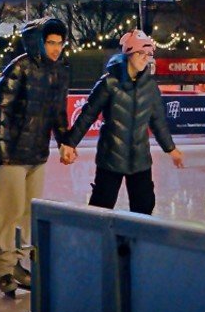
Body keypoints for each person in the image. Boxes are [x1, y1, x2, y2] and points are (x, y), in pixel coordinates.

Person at [0, 16, 74, 297]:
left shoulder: (60, 71)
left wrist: (65, 141)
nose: (56, 48)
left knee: (26, 214)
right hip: (13, 154)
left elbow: (59, 113)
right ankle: (4, 267)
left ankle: (18, 264)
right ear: (39, 42)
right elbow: (0, 110)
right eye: (51, 42)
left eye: (60, 43)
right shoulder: (19, 68)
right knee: (7, 213)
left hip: (38, 153)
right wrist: (2, 152)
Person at [63, 30, 184, 216]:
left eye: (148, 54)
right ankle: (97, 243)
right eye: (141, 53)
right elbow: (88, 114)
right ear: (129, 54)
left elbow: (158, 121)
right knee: (101, 208)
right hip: (111, 158)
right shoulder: (109, 83)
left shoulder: (150, 87)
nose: (145, 58)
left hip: (140, 159)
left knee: (144, 208)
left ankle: (134, 244)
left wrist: (170, 148)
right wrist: (70, 143)